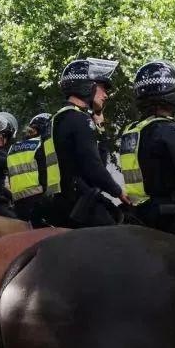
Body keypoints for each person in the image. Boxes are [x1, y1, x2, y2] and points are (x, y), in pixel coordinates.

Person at [118, 60, 175, 239]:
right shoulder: (168, 129)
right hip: (170, 215)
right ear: (170, 94)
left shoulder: (133, 131)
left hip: (139, 213)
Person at [42, 57, 130, 227]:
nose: (106, 95)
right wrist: (118, 191)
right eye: (102, 88)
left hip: (59, 204)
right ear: (88, 85)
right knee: (121, 242)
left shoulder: (54, 120)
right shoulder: (79, 119)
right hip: (81, 204)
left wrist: (100, 126)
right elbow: (94, 166)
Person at [7, 113, 52, 228]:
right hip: (40, 200)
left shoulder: (13, 148)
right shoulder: (43, 145)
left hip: (18, 204)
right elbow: (46, 175)